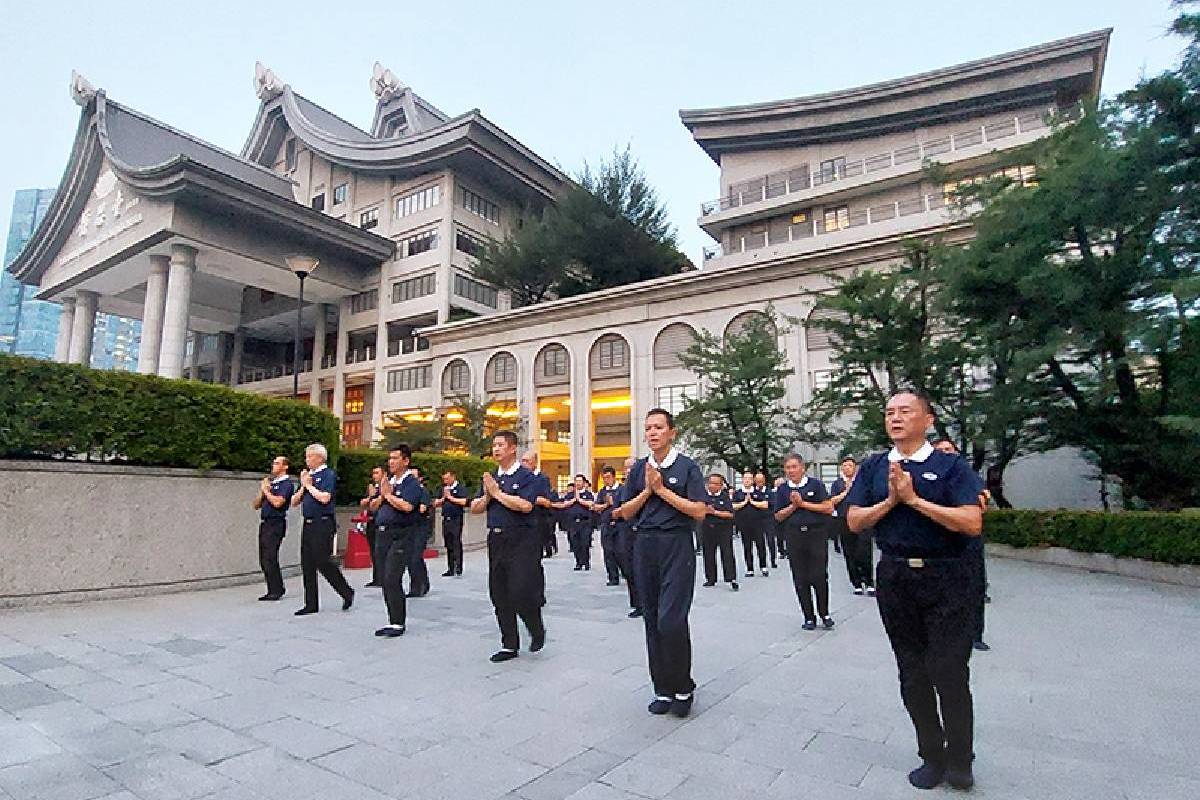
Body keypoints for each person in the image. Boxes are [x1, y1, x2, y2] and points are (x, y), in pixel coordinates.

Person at [846, 392, 985, 791]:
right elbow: (855, 521)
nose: (895, 418)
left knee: (949, 670)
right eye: (889, 412)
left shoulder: (950, 466)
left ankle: (961, 758)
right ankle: (931, 754)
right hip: (895, 577)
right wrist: (891, 501)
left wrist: (915, 500)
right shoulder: (875, 467)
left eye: (905, 411)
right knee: (912, 671)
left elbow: (971, 521)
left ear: (928, 419)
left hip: (948, 577)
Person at [618, 408, 708, 718]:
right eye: (648, 428)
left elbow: (698, 511)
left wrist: (662, 490)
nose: (653, 432)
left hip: (677, 545)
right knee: (653, 619)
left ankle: (683, 685)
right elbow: (625, 512)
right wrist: (647, 490)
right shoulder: (639, 469)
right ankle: (663, 689)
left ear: (672, 432)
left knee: (671, 619)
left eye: (659, 427)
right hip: (645, 545)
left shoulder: (687, 468)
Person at [470, 430, 550, 663]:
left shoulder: (528, 477)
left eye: (500, 445)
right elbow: (475, 507)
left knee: (520, 590)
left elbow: (525, 505)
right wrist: (487, 496)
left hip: (522, 539)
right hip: (497, 539)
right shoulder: (491, 477)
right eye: (494, 445)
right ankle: (509, 644)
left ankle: (536, 627)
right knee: (499, 593)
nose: (495, 449)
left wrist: (497, 493)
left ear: (513, 448)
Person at [932, 439, 990, 652]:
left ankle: (976, 634)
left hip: (968, 541)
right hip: (939, 542)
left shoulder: (967, 474)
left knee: (974, 587)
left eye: (949, 449)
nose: (946, 453)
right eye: (941, 451)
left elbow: (982, 501)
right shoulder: (929, 476)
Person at [290, 443, 354, 615]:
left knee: (322, 561)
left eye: (309, 456)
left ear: (319, 457)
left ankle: (346, 592)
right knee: (307, 563)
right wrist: (303, 485)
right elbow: (294, 501)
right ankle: (311, 603)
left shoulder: (328, 475)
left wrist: (310, 486)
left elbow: (325, 498)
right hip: (308, 522)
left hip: (323, 522)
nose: (307, 460)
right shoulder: (308, 477)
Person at [773, 454, 834, 630]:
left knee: (819, 575)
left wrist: (803, 504)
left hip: (816, 534)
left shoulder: (816, 485)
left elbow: (827, 507)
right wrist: (793, 506)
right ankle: (808, 616)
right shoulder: (783, 490)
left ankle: (825, 612)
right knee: (800, 577)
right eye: (788, 468)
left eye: (794, 467)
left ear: (802, 467)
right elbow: (778, 515)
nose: (791, 471)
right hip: (794, 535)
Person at [372, 446, 424, 638]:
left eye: (395, 458)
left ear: (406, 461)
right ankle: (392, 619)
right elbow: (373, 505)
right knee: (384, 578)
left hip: (401, 534)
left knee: (392, 577)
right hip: (382, 533)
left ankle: (398, 622)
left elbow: (408, 507)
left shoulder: (411, 483)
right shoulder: (388, 481)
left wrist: (388, 496)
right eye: (390, 458)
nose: (391, 462)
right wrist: (381, 495)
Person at [829, 457, 875, 596]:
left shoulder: (862, 482)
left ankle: (869, 581)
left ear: (855, 468)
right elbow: (832, 501)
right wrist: (846, 491)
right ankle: (856, 582)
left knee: (864, 550)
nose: (847, 468)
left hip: (862, 519)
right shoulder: (837, 484)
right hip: (844, 520)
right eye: (845, 465)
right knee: (849, 552)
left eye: (850, 465)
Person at [251, 455, 294, 601]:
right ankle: (273, 588)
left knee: (270, 556)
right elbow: (256, 505)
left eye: (277, 463)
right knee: (263, 558)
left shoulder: (286, 484)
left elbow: (278, 503)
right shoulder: (272, 483)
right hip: (265, 522)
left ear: (285, 466)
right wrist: (262, 490)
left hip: (276, 523)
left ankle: (276, 589)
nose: (273, 465)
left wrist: (267, 492)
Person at [700, 474, 739, 591]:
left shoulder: (725, 496)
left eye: (715, 484)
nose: (712, 486)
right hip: (707, 528)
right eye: (710, 483)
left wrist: (714, 512)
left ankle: (731, 578)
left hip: (723, 529)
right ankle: (710, 578)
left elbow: (730, 514)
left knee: (727, 553)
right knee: (708, 554)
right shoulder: (703, 496)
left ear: (721, 485)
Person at [520, 451, 557, 561]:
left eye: (527, 461)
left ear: (535, 462)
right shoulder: (519, 478)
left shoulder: (542, 479)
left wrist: (527, 498)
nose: (523, 464)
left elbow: (545, 499)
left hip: (538, 517)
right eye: (522, 461)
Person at [732, 471, 769, 578]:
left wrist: (752, 502)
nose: (747, 480)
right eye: (745, 478)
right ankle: (750, 568)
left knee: (760, 545)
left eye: (749, 478)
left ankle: (763, 566)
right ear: (742, 480)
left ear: (753, 480)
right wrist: (744, 502)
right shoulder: (738, 493)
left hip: (758, 523)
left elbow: (765, 504)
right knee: (747, 546)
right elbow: (733, 506)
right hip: (744, 523)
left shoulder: (758, 492)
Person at [557, 475, 596, 571]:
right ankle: (578, 562)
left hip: (585, 522)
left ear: (584, 483)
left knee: (585, 542)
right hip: (573, 522)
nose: (578, 483)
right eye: (576, 481)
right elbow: (564, 504)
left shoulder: (588, 494)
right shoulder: (570, 495)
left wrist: (580, 500)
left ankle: (586, 562)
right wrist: (574, 499)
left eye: (580, 481)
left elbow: (591, 504)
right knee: (575, 543)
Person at [434, 470, 468, 577]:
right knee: (448, 543)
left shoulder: (460, 488)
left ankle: (458, 566)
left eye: (447, 479)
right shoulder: (443, 489)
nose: (445, 481)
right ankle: (450, 568)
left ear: (453, 477)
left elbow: (464, 502)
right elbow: (435, 503)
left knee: (456, 542)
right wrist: (444, 497)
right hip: (446, 518)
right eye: (444, 479)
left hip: (456, 519)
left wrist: (451, 498)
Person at [405, 466, 433, 598]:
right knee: (412, 557)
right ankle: (423, 583)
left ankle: (417, 587)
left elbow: (422, 508)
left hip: (421, 527)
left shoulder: (423, 491)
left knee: (415, 557)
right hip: (410, 527)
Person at [595, 466, 623, 586]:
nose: (606, 480)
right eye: (604, 477)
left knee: (621, 551)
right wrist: (606, 504)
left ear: (614, 476)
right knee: (608, 551)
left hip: (620, 525)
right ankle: (613, 576)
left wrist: (614, 503)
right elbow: (597, 507)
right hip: (606, 524)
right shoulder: (602, 491)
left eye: (608, 477)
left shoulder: (622, 489)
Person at [359, 466, 385, 588]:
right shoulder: (371, 488)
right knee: (373, 550)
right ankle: (376, 577)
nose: (374, 475)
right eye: (373, 473)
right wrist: (370, 497)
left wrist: (375, 497)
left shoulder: (386, 487)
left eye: (377, 473)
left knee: (381, 550)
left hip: (381, 521)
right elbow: (363, 503)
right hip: (371, 521)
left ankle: (383, 577)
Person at [755, 471, 779, 569]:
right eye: (757, 481)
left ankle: (773, 560)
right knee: (760, 542)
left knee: (770, 540)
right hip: (757, 520)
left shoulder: (770, 492)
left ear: (764, 481)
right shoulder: (753, 492)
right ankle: (762, 562)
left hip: (768, 519)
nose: (759, 483)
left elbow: (770, 505)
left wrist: (760, 504)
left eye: (761, 481)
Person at [772, 476, 789, 559]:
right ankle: (781, 550)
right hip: (776, 516)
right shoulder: (773, 492)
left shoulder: (787, 491)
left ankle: (789, 551)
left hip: (786, 515)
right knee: (779, 535)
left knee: (788, 534)